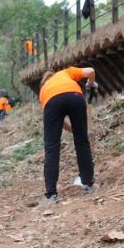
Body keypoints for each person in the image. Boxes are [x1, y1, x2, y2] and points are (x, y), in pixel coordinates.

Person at [38, 66, 97, 205]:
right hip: (75, 96)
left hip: (52, 103)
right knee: (82, 141)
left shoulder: (43, 91)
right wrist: (90, 84)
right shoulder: (66, 72)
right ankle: (88, 183)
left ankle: (50, 195)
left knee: (52, 147)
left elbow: (59, 122)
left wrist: (71, 129)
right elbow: (91, 71)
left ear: (45, 81)